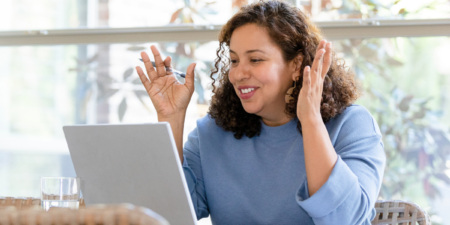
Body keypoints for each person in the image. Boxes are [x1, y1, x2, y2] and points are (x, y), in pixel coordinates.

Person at [135, 1, 386, 224]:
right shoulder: (211, 133)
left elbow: (347, 219)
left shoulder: (351, 125)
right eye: (234, 60)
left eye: (255, 60)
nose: (238, 74)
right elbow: (166, 215)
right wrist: (171, 118)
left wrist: (310, 120)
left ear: (297, 65)